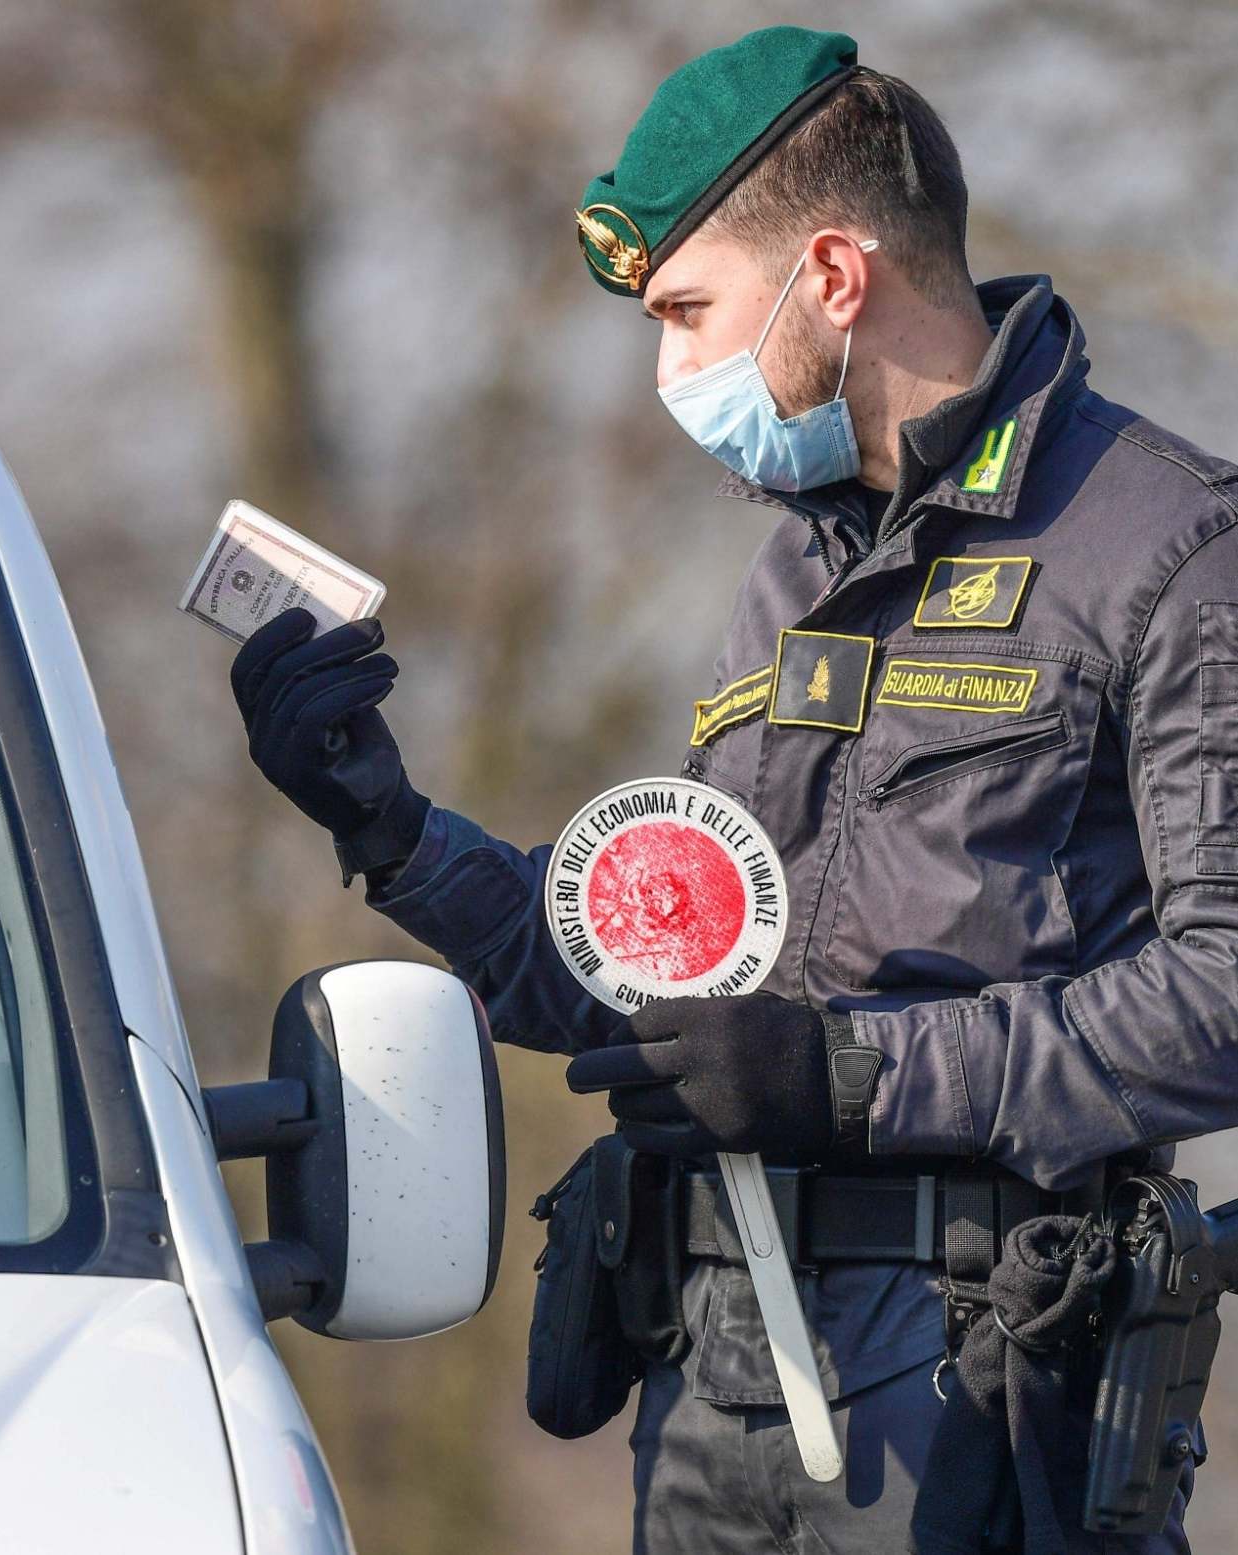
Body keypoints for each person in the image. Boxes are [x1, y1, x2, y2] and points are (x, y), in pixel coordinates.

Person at [229, 25, 1231, 1552]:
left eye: (689, 312)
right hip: (713, 1365)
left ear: (832, 276)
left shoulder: (1166, 545)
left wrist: (859, 1074)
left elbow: (1225, 990)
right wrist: (391, 825)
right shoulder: (792, 565)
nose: (666, 371)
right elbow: (667, 986)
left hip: (977, 1386)